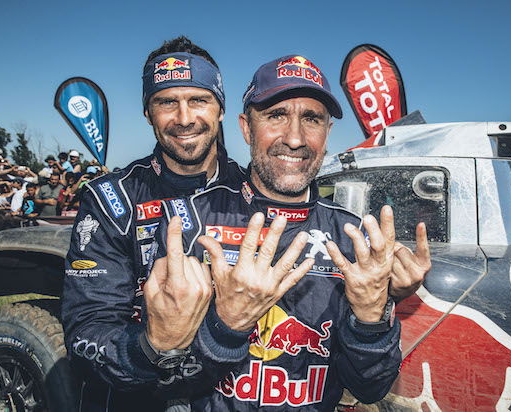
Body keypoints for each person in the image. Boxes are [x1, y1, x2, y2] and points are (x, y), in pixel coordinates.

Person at [150, 55, 430, 410]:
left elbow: (370, 388)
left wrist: (371, 317)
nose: (295, 138)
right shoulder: (188, 221)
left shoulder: (353, 236)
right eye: (276, 116)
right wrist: (227, 325)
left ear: (328, 133)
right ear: (246, 128)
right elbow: (160, 381)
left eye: (311, 119)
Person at [61, 36, 246, 411]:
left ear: (220, 108)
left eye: (198, 99)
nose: (184, 118)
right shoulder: (111, 199)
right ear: (148, 113)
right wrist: (154, 345)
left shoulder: (253, 194)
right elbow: (85, 331)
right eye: (166, 102)